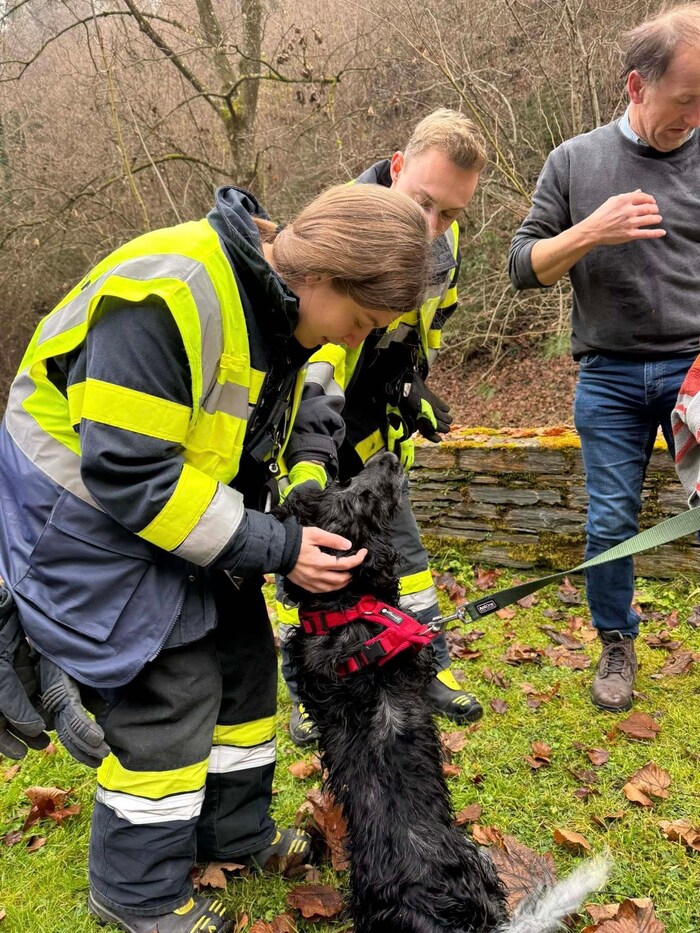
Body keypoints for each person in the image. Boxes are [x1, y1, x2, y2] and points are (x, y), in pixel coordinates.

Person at [0, 183, 431, 933]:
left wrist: (304, 491)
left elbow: (310, 412)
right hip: (79, 515)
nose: (355, 341)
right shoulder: (173, 290)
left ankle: (234, 837)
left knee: (242, 662)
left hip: (189, 506)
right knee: (175, 686)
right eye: (361, 323)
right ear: (321, 275)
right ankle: (134, 894)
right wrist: (282, 546)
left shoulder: (292, 313)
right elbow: (131, 475)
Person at [508, 4, 700, 714]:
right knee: (610, 522)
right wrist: (590, 230)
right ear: (635, 86)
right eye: (686, 100)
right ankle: (616, 641)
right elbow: (522, 265)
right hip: (610, 375)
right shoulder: (574, 161)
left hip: (695, 368)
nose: (695, 115)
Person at [276, 109, 487, 746]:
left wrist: (411, 384)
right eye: (424, 202)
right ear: (396, 168)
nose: (433, 226)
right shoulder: (347, 233)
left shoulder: (443, 252)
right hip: (315, 422)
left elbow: (421, 330)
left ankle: (423, 668)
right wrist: (308, 452)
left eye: (450, 214)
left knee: (404, 561)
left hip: (376, 424)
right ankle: (309, 690)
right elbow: (311, 353)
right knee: (315, 569)